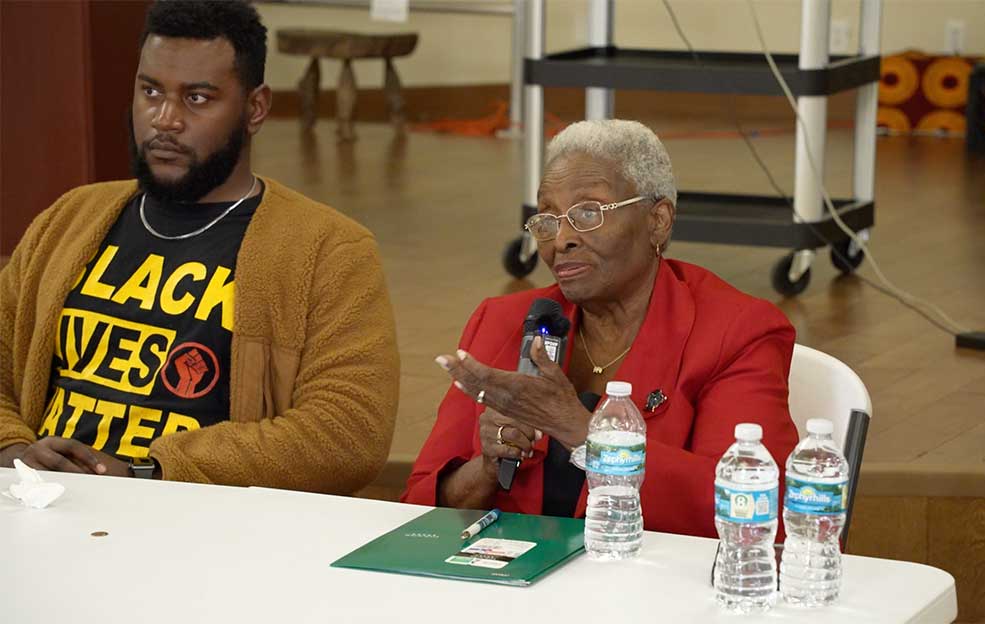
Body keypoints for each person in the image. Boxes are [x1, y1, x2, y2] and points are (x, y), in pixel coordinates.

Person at [0, 0, 399, 494]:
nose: (165, 120)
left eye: (198, 98)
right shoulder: (69, 219)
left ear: (255, 108)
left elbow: (347, 433)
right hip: (44, 507)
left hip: (202, 526)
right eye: (150, 91)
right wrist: (13, 451)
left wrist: (152, 473)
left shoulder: (326, 250)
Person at [402, 119, 799, 537]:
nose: (562, 240)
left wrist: (583, 432)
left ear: (658, 220)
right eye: (548, 220)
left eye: (588, 213)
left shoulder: (735, 332)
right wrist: (484, 469)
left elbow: (756, 513)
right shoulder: (503, 322)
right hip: (515, 586)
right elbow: (417, 510)